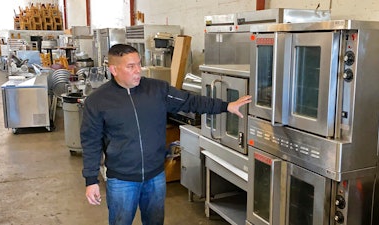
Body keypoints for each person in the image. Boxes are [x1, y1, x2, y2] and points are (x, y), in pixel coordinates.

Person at [80, 43, 252, 225]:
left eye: (139, 64)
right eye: (131, 67)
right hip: (122, 180)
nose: (138, 70)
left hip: (155, 176)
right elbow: (91, 142)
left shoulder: (157, 90)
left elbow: (191, 101)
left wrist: (226, 106)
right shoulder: (97, 101)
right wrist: (91, 180)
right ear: (114, 69)